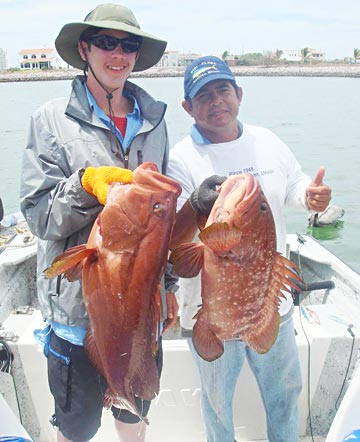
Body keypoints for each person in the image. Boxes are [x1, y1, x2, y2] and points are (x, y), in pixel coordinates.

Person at [19, 4, 179, 442]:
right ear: (84, 48)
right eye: (107, 42)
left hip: (142, 310)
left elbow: (161, 226)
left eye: (129, 45)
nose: (118, 54)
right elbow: (38, 215)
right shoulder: (50, 120)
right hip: (75, 311)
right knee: (76, 427)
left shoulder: (157, 122)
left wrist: (168, 288)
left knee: (133, 412)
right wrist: (85, 184)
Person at [168, 56, 332, 442]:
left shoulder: (267, 141)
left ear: (239, 95)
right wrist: (195, 205)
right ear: (187, 108)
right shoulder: (180, 158)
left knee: (285, 394)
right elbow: (173, 240)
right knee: (217, 405)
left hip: (271, 305)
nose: (216, 100)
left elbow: (294, 187)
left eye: (223, 90)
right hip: (208, 312)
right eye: (203, 95)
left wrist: (311, 197)